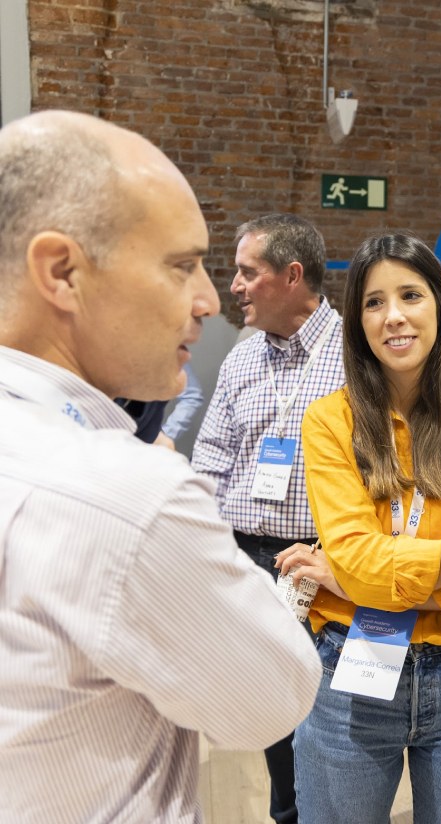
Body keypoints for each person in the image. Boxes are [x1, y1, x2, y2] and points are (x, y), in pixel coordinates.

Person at [0, 111, 321, 823]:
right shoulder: (124, 496)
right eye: (181, 266)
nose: (209, 299)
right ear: (62, 272)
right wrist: (273, 588)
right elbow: (270, 699)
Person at [276, 233, 441, 824]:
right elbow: (361, 559)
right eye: (373, 302)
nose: (393, 316)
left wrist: (354, 582)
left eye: (410, 295)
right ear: (358, 320)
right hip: (350, 668)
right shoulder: (330, 421)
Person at [191, 213, 344, 824]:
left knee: (334, 723)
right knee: (276, 717)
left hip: (329, 565)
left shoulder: (357, 353)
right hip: (251, 561)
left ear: (292, 276)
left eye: (248, 273)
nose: (234, 286)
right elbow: (211, 461)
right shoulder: (242, 359)